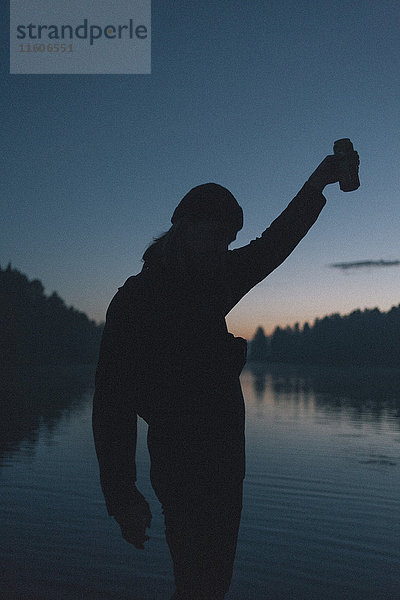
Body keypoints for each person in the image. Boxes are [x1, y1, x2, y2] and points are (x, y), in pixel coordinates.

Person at [92, 152, 358, 600]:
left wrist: (319, 183)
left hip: (226, 465)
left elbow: (274, 244)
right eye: (218, 235)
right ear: (185, 225)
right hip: (181, 468)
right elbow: (111, 405)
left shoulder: (214, 278)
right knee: (199, 584)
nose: (225, 248)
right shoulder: (136, 301)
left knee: (211, 585)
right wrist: (122, 496)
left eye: (230, 240)